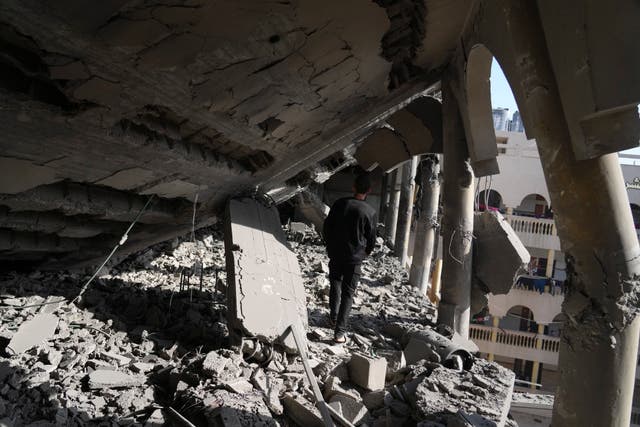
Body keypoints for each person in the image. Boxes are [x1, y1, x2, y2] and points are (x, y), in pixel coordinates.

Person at [323, 172, 378, 343]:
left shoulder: (340, 204)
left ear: (353, 187)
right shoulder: (370, 211)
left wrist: (330, 245)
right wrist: (365, 253)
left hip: (336, 253)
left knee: (335, 284)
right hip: (355, 259)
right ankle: (339, 333)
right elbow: (372, 239)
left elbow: (327, 228)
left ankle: (333, 317)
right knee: (348, 293)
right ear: (369, 190)